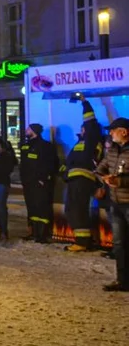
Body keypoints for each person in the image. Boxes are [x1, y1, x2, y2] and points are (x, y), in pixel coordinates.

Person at [64, 95, 104, 251]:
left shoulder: (92, 139)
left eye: (83, 127)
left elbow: (90, 121)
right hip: (74, 179)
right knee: (71, 209)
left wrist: (84, 102)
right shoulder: (79, 143)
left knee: (78, 209)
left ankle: (83, 243)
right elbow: (69, 162)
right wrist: (64, 173)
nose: (81, 129)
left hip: (84, 179)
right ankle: (80, 239)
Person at [96, 118, 129, 292]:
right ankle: (122, 281)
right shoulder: (112, 151)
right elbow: (100, 169)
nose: (110, 133)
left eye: (113, 130)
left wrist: (120, 181)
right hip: (116, 203)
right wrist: (105, 178)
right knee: (119, 244)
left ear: (124, 132)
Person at [19, 123, 59, 243]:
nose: (26, 130)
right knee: (31, 207)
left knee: (42, 207)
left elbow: (52, 163)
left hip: (40, 183)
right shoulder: (26, 146)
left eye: (28, 129)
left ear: (34, 131)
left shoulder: (45, 146)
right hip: (28, 182)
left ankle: (43, 234)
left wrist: (44, 178)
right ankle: (33, 232)